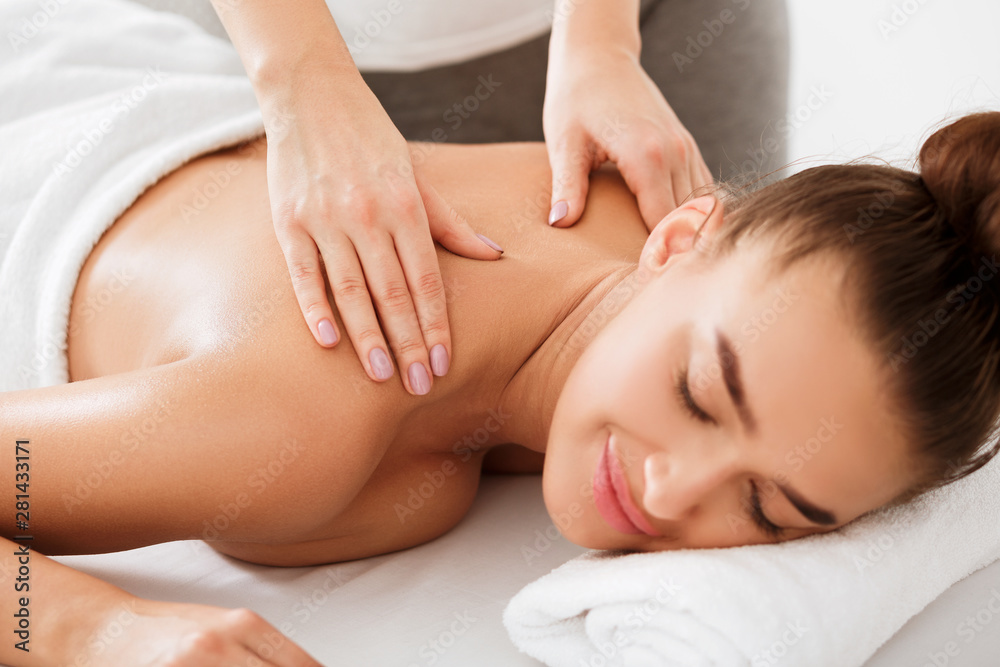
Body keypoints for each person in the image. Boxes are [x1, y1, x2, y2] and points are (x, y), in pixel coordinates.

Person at [2, 109, 1000, 664]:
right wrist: (88, 629)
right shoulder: (297, 428)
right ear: (682, 233)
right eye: (698, 394)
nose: (664, 495)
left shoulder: (647, 222)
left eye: (768, 508)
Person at [131, 0, 791, 397]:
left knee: (754, 358)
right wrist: (300, 79)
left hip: (650, 32)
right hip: (282, 48)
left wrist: (603, 42)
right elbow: (22, 465)